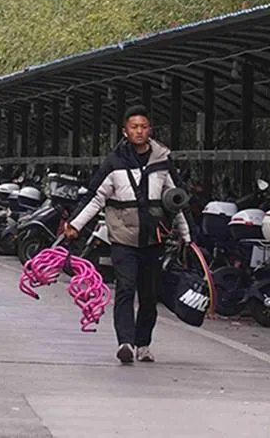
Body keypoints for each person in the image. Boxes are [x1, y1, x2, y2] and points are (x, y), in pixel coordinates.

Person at [65, 103, 190, 365]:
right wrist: (75, 224)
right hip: (123, 238)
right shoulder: (114, 163)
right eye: (134, 127)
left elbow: (176, 200)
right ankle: (125, 342)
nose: (139, 131)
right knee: (125, 288)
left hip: (154, 238)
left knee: (149, 295)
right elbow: (95, 198)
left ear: (150, 130)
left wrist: (187, 235)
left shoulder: (162, 161)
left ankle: (143, 344)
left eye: (143, 126)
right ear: (125, 131)